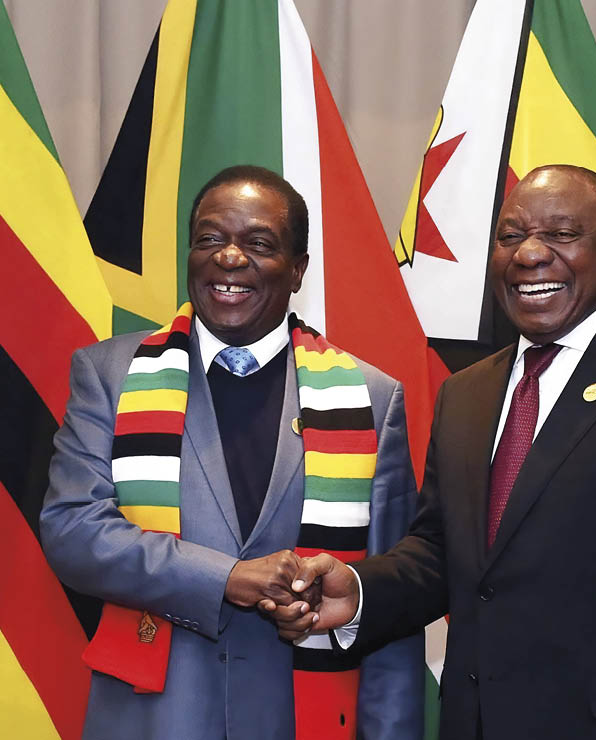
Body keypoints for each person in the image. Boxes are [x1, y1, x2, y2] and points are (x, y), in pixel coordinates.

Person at [273, 165, 596, 739]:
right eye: (510, 236)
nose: (530, 255)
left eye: (563, 235)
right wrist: (359, 591)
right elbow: (446, 554)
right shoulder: (465, 393)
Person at [40, 165, 423, 740]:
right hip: (151, 717)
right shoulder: (109, 375)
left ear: (298, 270)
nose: (228, 258)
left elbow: (389, 595)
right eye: (210, 239)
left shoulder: (370, 397)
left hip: (303, 716)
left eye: (259, 244)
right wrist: (226, 578)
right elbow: (72, 530)